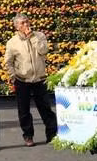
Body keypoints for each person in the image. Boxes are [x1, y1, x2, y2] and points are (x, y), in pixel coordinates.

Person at [4, 13, 57, 146]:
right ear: (17, 26)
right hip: (22, 80)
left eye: (27, 21)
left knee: (45, 108)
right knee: (24, 111)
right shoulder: (12, 42)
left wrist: (32, 37)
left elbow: (43, 51)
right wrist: (13, 76)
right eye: (22, 23)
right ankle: (28, 135)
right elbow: (8, 62)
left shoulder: (39, 36)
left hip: (39, 79)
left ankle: (52, 135)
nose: (26, 24)